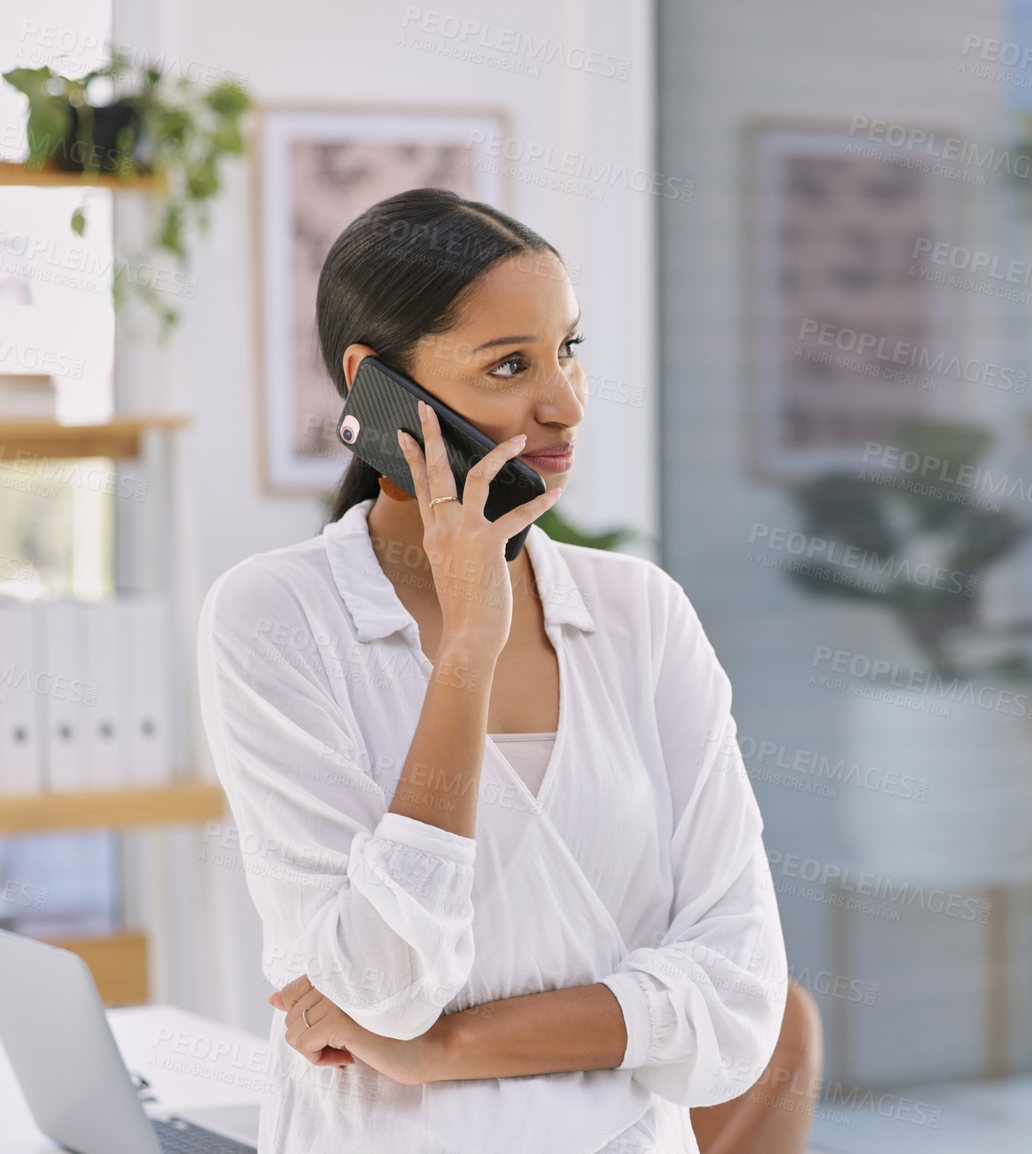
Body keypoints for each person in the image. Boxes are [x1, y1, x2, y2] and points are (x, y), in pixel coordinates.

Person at [197, 187, 821, 1153]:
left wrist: (444, 1052)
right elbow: (383, 986)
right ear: (376, 385)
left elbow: (739, 1007)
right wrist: (466, 656)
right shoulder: (275, 619)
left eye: (568, 349)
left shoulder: (639, 614)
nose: (563, 402)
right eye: (509, 365)